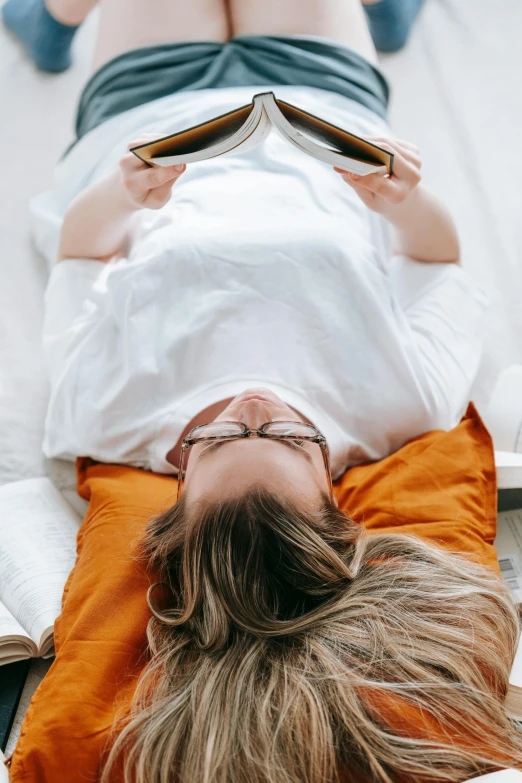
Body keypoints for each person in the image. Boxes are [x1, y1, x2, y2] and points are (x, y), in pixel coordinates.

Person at [3, 0, 522, 780]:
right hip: (319, 99)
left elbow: (80, 253)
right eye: (284, 437)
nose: (252, 407)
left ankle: (51, 21)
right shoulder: (400, 407)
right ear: (332, 479)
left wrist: (124, 194)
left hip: (149, 110)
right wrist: (402, 201)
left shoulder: (105, 417)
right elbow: (437, 264)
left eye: (220, 439)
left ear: (177, 467)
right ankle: (387, 16)